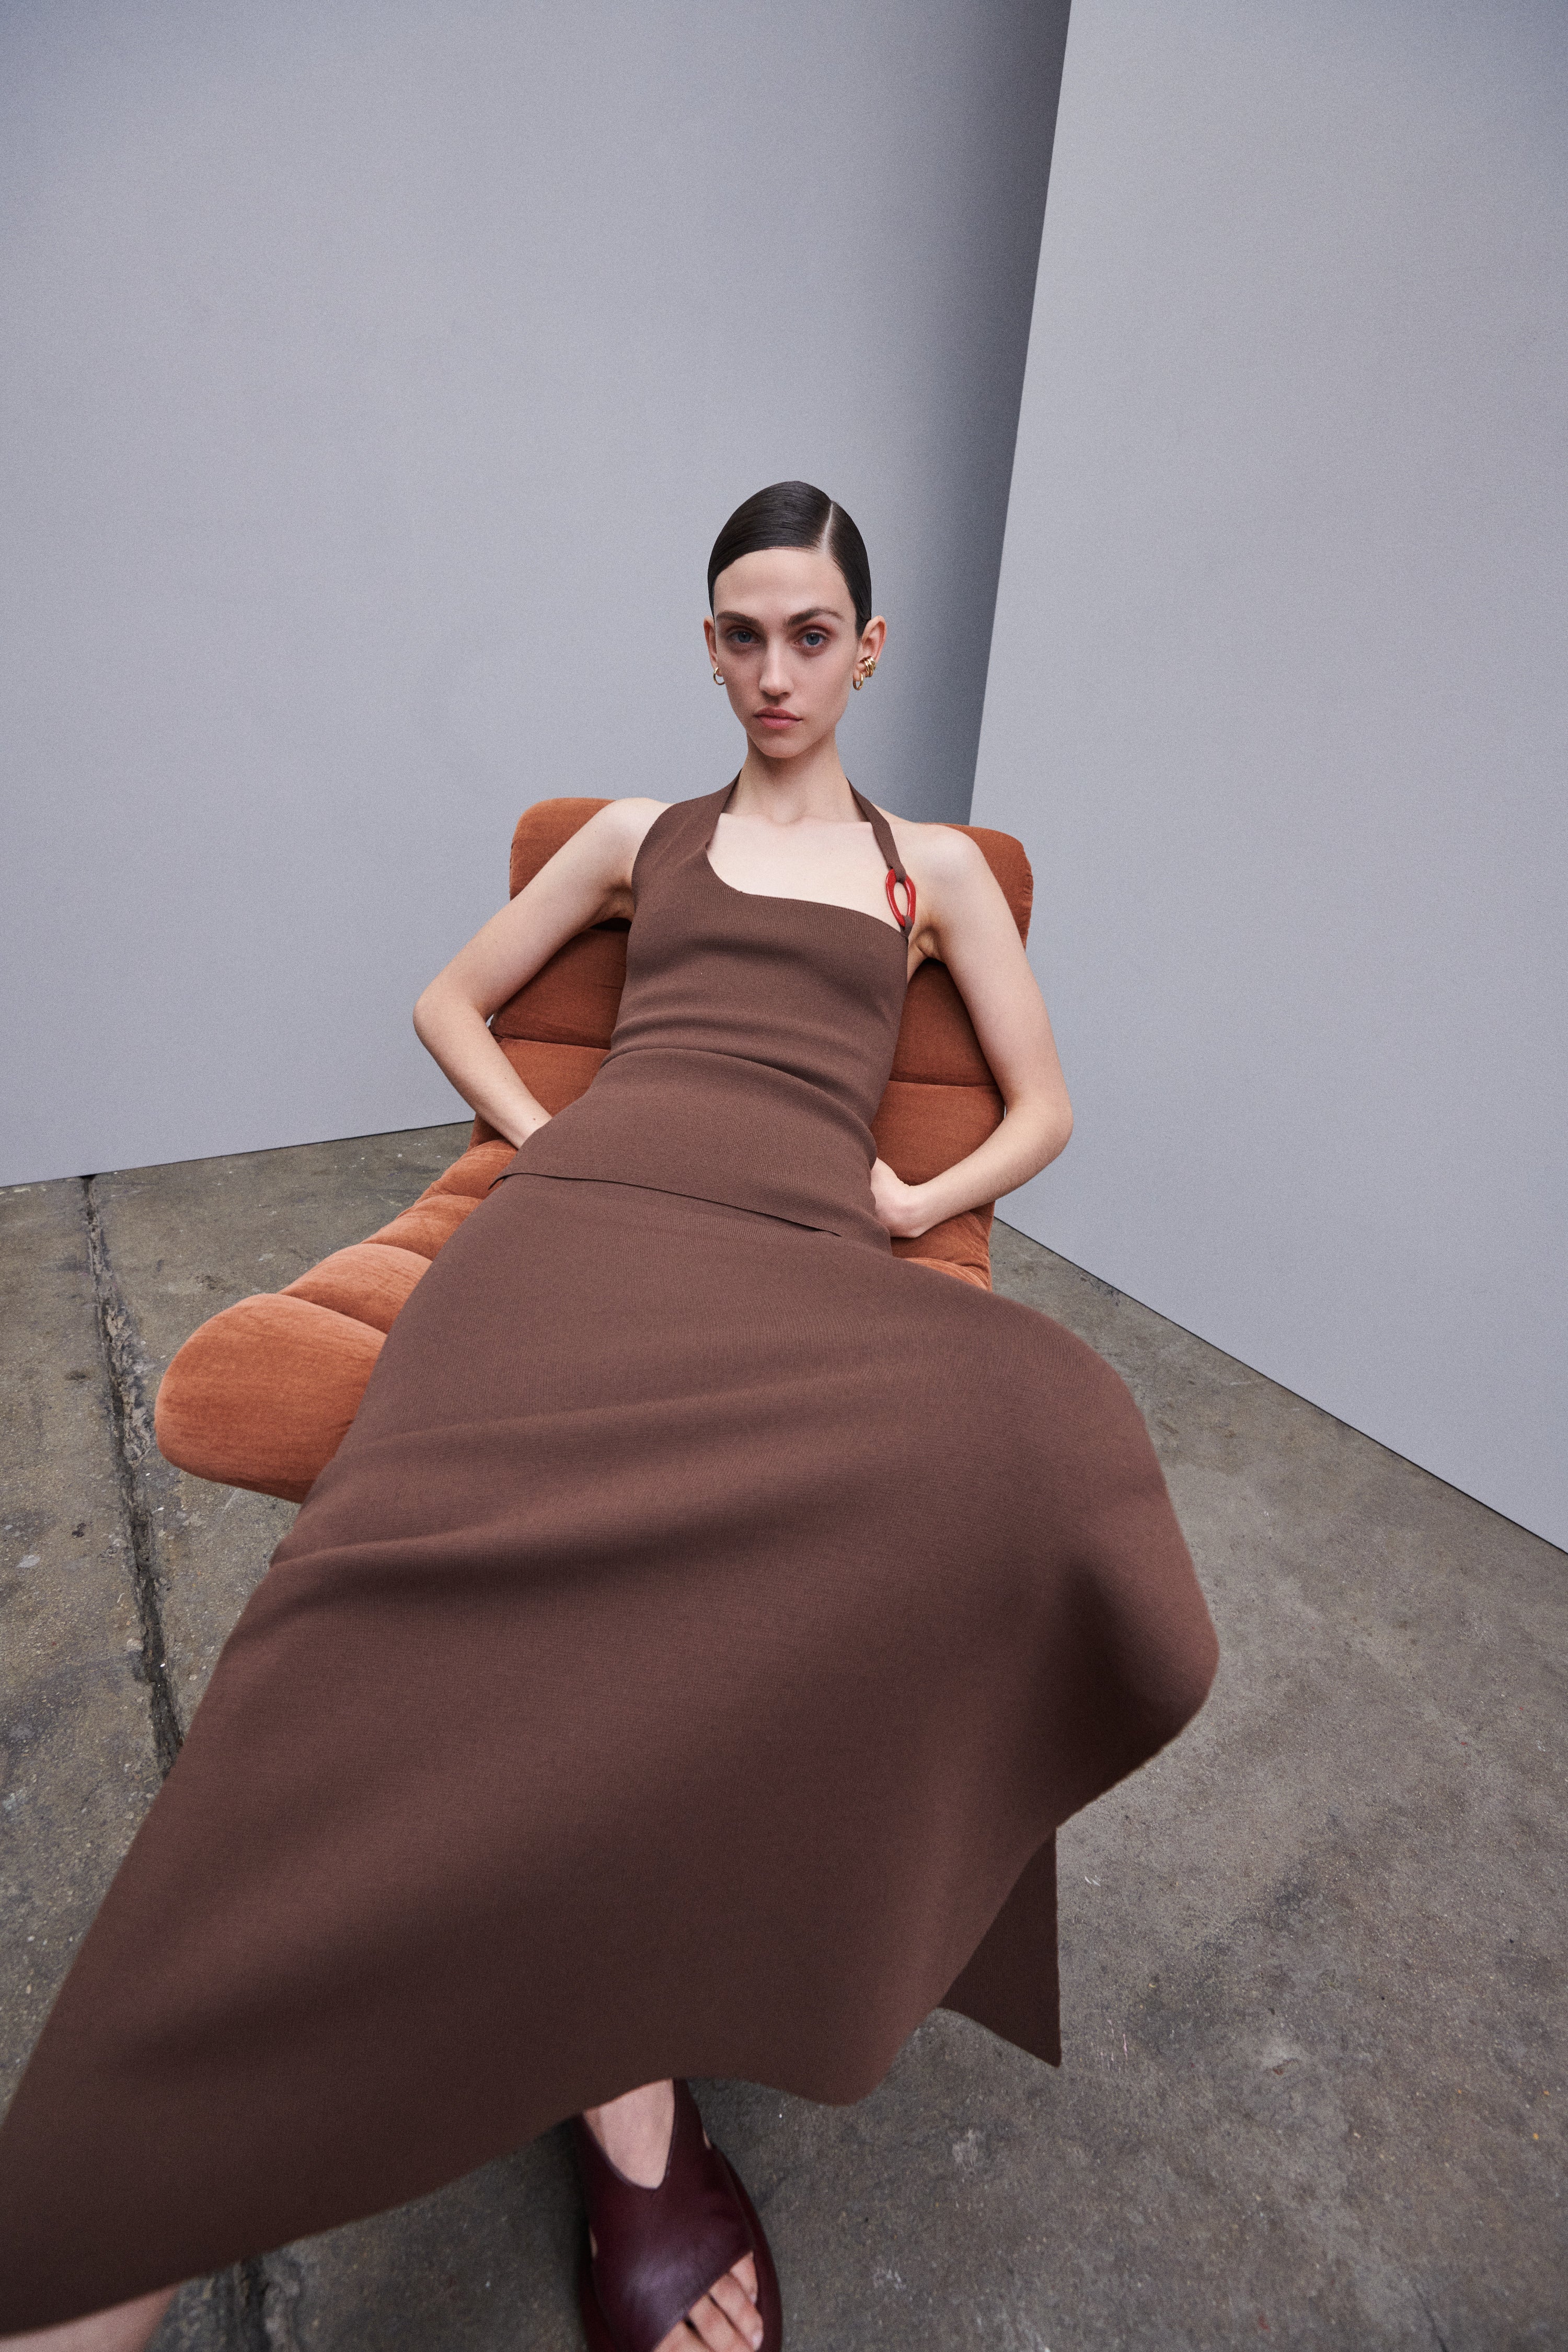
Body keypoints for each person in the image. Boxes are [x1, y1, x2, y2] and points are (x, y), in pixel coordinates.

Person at [0, 482, 1218, 2352]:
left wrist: (910, 1201)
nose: (775, 669)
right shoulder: (643, 838)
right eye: (742, 633)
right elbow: (449, 1000)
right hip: (573, 1239)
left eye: (811, 634)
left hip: (796, 1259)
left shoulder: (934, 872)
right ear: (706, 645)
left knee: (1053, 1436)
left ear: (870, 649)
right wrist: (549, 1140)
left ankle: (658, 2000)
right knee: (341, 1631)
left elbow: (1043, 1102)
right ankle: (95, 2236)